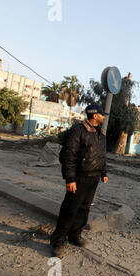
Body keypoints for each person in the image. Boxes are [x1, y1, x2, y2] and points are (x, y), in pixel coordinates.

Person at [50, 104, 109, 258]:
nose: (104, 117)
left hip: (94, 178)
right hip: (79, 177)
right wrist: (70, 178)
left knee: (84, 208)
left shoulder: (100, 134)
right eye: (102, 114)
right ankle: (58, 241)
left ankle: (75, 235)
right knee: (70, 209)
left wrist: (103, 172)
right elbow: (67, 155)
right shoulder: (78, 131)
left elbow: (101, 155)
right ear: (95, 116)